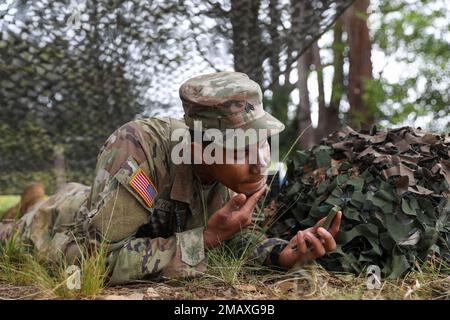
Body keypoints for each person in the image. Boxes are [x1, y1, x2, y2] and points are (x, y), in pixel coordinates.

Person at [0, 71, 341, 284]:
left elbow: (236, 235)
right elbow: (93, 257)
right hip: (62, 221)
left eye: (263, 143)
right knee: (20, 231)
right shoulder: (139, 148)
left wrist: (283, 253)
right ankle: (32, 204)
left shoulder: (245, 175)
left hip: (105, 204)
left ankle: (35, 197)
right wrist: (204, 239)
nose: (260, 163)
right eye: (239, 151)